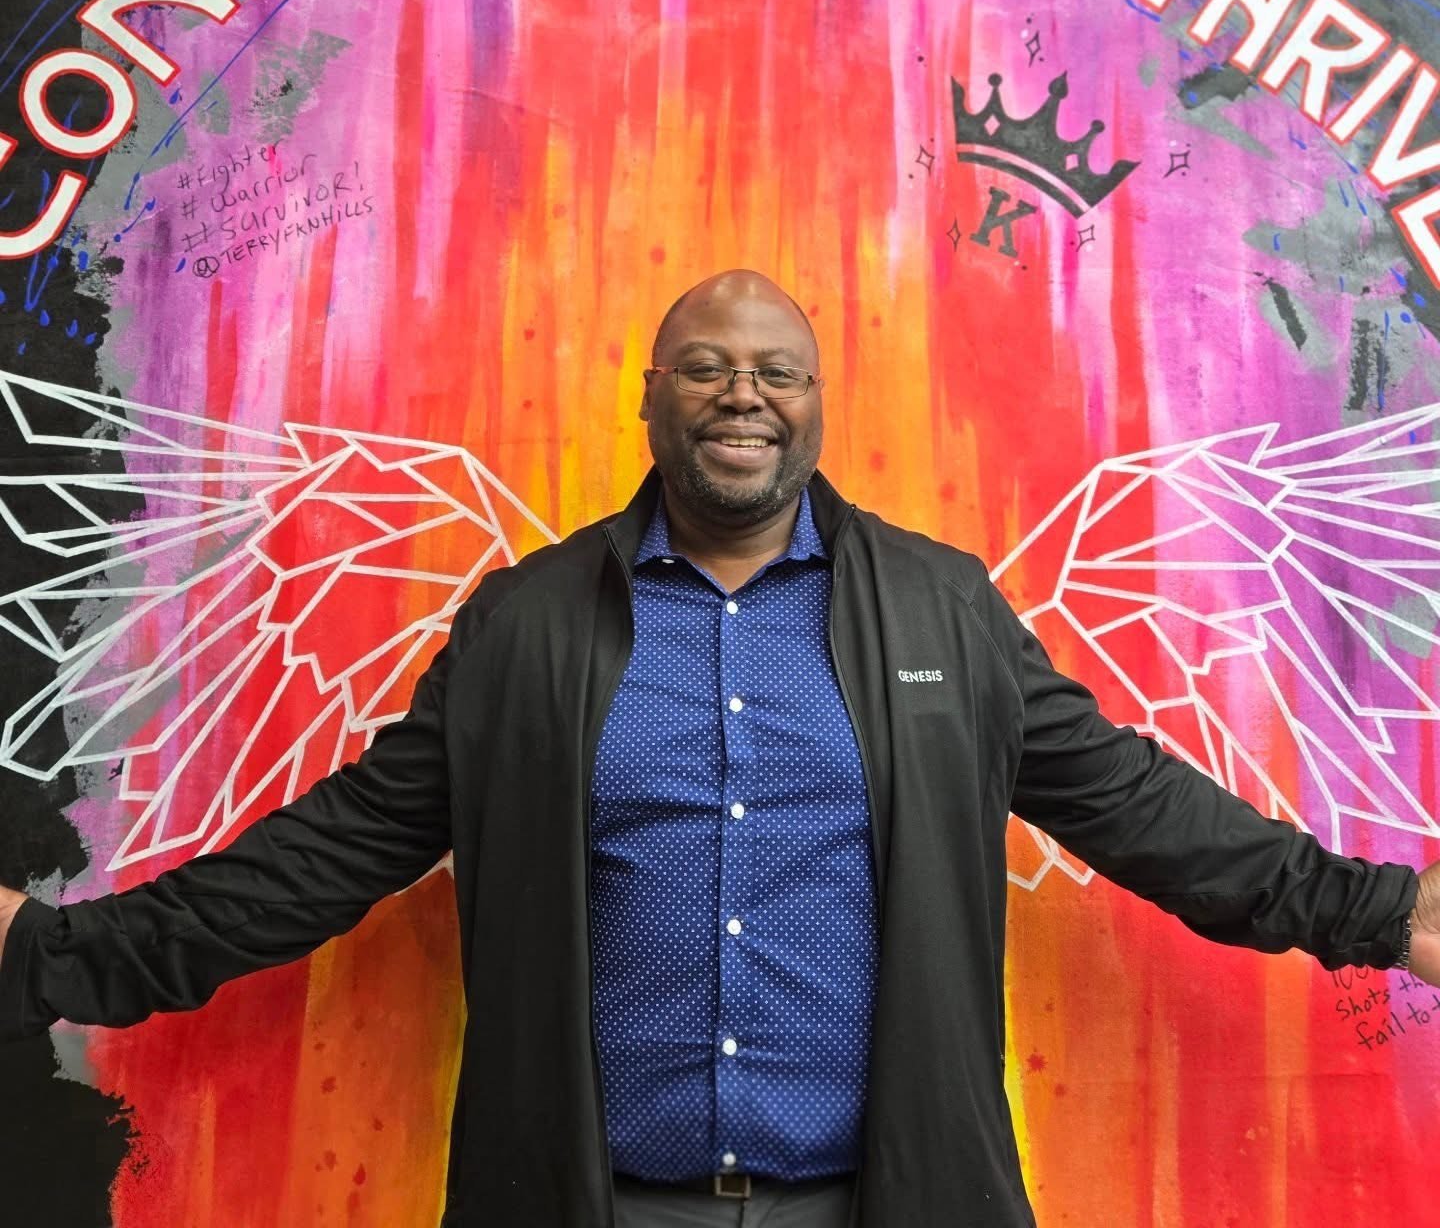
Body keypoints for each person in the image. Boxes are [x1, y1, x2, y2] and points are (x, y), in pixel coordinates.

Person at [0, 270, 1436, 1228]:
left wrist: (1387, 912)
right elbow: (336, 849)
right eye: (706, 368)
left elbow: (1133, 805)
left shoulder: (943, 607)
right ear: (650, 398)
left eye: (777, 373)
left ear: (818, 404)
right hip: (597, 1198)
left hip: (878, 1199)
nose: (743, 396)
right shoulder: (528, 624)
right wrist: (49, 960)